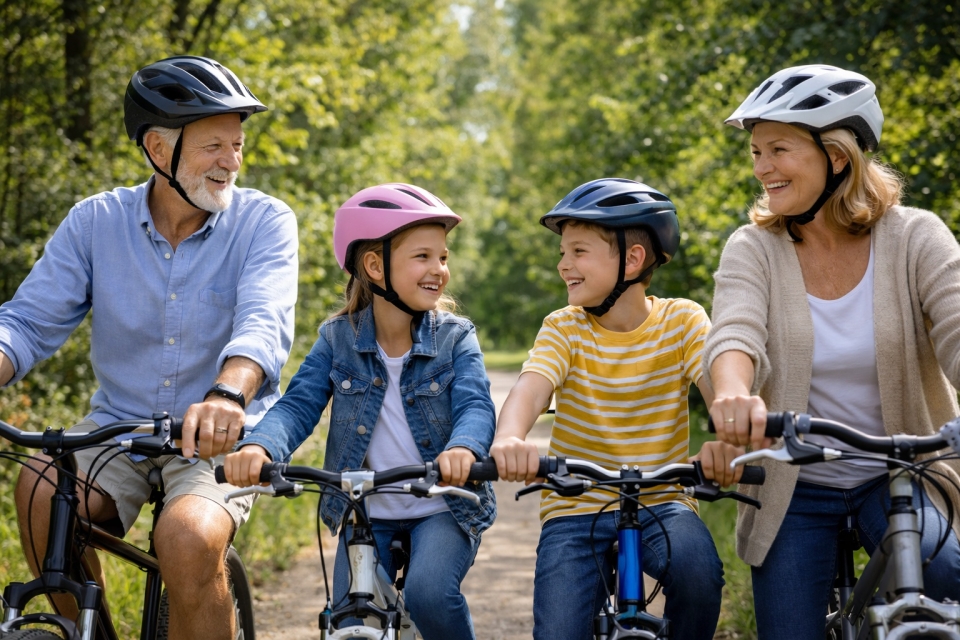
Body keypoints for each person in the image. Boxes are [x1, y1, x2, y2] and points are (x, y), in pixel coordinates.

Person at [4, 55, 298, 639]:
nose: (231, 161)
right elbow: (27, 322)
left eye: (237, 145)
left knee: (187, 538)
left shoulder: (264, 221)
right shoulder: (94, 223)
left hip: (219, 436)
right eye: (214, 145)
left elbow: (263, 323)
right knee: (39, 489)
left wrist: (227, 395)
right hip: (119, 429)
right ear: (160, 151)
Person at [705, 63, 960, 639]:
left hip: (900, 474)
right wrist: (732, 392)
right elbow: (734, 333)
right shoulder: (754, 249)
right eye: (755, 151)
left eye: (778, 149)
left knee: (945, 576)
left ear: (838, 156)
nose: (761, 167)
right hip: (793, 483)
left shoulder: (916, 237)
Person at [224, 182, 496, 640]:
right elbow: (297, 405)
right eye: (423, 257)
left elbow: (475, 404)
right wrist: (259, 445)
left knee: (430, 593)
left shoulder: (455, 337)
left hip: (442, 505)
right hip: (365, 510)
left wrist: (464, 449)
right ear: (375, 265)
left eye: (443, 257)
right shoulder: (338, 339)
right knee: (351, 612)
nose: (440, 269)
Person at [490, 178, 743, 640]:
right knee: (559, 630)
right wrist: (510, 438)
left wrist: (728, 444)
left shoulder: (682, 320)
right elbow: (531, 389)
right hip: (575, 503)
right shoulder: (564, 328)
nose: (564, 264)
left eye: (578, 251)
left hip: (663, 499)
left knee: (699, 575)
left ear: (631, 259)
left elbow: (720, 389)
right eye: (563, 253)